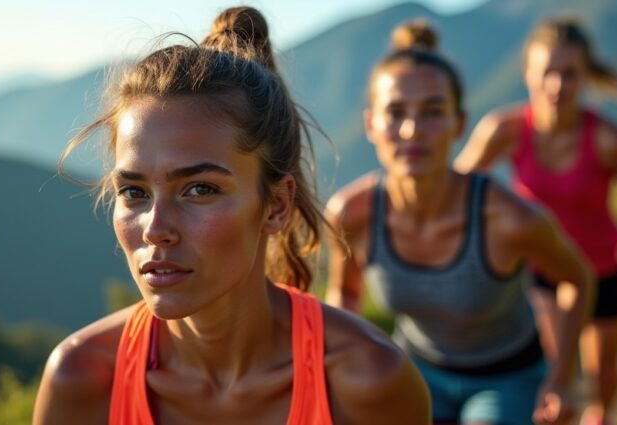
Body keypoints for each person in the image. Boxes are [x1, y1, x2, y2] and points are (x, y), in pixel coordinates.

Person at [32, 7, 430, 425]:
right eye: (134, 192)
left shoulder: (365, 380)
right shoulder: (84, 379)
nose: (155, 229)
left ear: (276, 205)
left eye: (199, 189)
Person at [325, 20, 593, 425]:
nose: (412, 131)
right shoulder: (352, 214)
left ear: (459, 123)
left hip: (507, 378)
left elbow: (579, 279)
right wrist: (352, 369)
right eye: (395, 113)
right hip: (413, 371)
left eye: (433, 112)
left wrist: (561, 379)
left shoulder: (509, 219)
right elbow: (344, 293)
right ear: (370, 125)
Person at [454, 17, 617, 425]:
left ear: (585, 77)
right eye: (548, 72)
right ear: (528, 73)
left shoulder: (609, 141)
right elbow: (454, 191)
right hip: (544, 270)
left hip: (604, 271)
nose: (557, 85)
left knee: (603, 374)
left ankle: (599, 415)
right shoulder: (504, 130)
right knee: (555, 370)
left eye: (569, 74)